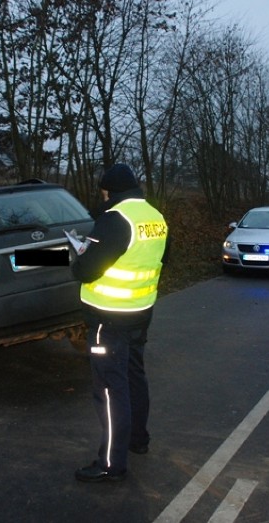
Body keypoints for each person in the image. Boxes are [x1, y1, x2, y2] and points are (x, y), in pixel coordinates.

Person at [71, 163, 169, 483]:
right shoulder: (154, 217)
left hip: (108, 318)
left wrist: (78, 255)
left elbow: (86, 270)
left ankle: (111, 463)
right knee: (134, 377)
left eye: (103, 192)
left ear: (108, 191)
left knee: (112, 391)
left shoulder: (114, 219)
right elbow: (161, 259)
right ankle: (137, 440)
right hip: (140, 312)